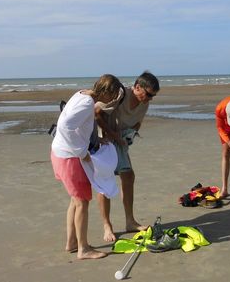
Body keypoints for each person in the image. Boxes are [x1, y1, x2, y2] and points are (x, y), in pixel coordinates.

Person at [50, 74, 124, 260]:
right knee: (82, 201)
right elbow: (65, 125)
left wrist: (95, 140)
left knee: (75, 200)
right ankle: (83, 249)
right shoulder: (86, 103)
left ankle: (72, 242)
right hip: (70, 157)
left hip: (60, 152)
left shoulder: (82, 95)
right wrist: (81, 151)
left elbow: (77, 125)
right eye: (114, 95)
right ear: (106, 92)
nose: (113, 100)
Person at [96, 71, 160, 242]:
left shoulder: (144, 103)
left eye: (152, 96)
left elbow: (138, 122)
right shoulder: (120, 95)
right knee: (106, 182)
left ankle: (130, 221)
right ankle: (107, 225)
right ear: (137, 87)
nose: (149, 99)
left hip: (121, 142)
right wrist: (112, 135)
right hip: (104, 140)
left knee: (128, 176)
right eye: (148, 94)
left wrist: (130, 135)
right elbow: (97, 113)